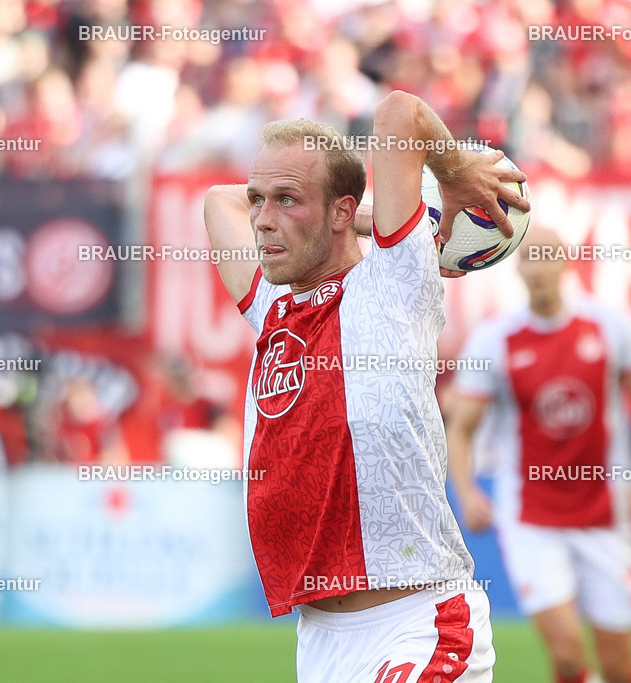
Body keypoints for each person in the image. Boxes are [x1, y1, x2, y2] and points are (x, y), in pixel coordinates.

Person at [203, 90, 529, 682]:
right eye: (260, 201)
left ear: (334, 212)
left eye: (286, 200)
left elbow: (399, 113)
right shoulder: (273, 304)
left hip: (417, 625)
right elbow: (217, 199)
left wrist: (449, 178)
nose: (261, 219)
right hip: (321, 642)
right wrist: (335, 210)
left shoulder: (394, 278)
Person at [446, 227, 631, 683]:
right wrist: (467, 491)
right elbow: (461, 427)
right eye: (529, 257)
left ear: (566, 263)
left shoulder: (608, 327)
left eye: (547, 256)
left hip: (605, 514)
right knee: (567, 653)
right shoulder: (496, 340)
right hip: (531, 517)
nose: (538, 268)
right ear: (517, 266)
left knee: (617, 666)